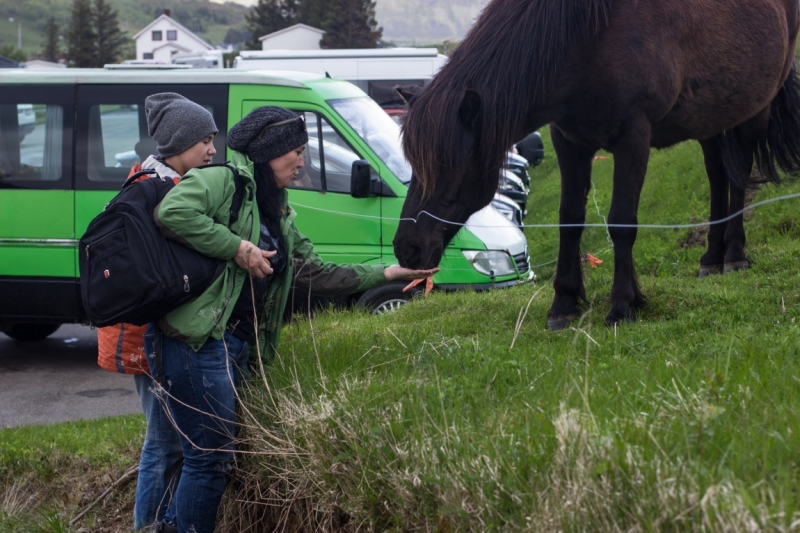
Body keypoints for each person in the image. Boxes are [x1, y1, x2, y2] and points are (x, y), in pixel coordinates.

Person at [145, 106, 437, 533]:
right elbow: (171, 214)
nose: (302, 162)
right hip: (200, 342)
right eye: (295, 152)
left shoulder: (277, 209)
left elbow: (312, 271)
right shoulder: (219, 181)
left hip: (240, 344)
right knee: (209, 458)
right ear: (268, 153)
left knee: (214, 457)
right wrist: (237, 248)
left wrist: (388, 272)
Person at [95, 91, 219, 532]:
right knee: (164, 442)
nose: (212, 149)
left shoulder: (154, 181)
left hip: (144, 329)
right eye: (204, 140)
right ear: (178, 143)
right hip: (143, 334)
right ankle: (147, 525)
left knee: (167, 440)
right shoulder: (159, 192)